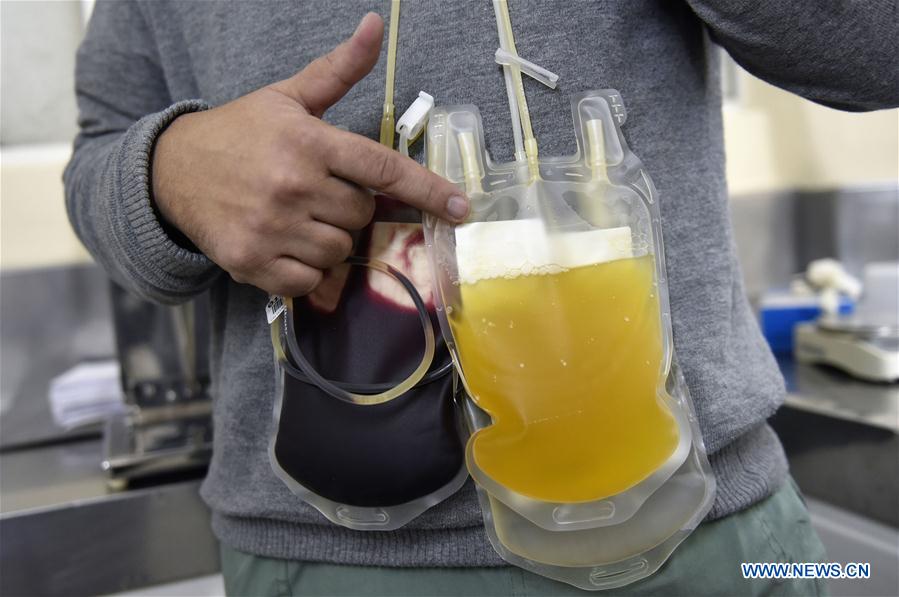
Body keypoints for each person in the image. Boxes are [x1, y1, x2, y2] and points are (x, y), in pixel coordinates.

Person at [64, 2, 897, 595]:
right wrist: (168, 171)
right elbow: (100, 156)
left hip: (708, 532)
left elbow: (875, 48)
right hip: (325, 556)